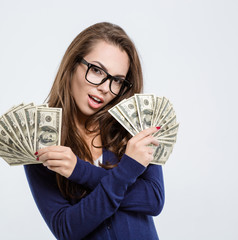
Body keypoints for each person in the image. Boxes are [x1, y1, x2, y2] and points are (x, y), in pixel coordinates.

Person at [24, 22, 164, 240]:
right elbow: (66, 228)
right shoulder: (42, 139)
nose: (105, 88)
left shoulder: (133, 126)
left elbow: (153, 200)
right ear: (72, 65)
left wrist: (80, 171)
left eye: (117, 80)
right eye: (97, 70)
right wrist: (126, 171)